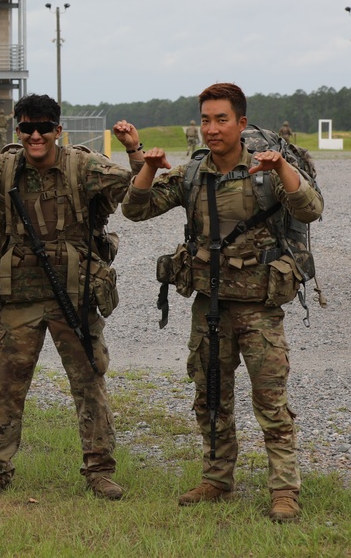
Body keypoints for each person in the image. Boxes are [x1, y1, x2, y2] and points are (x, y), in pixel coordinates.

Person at [121, 83, 323, 522]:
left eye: (222, 120)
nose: (212, 129)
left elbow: (310, 209)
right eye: (206, 120)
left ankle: (284, 490)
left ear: (241, 123)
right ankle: (217, 477)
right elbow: (134, 210)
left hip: (259, 308)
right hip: (210, 305)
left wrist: (284, 168)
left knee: (270, 401)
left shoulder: (269, 169)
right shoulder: (193, 173)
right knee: (210, 396)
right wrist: (147, 167)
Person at [0, 93, 144, 499]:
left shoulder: (83, 166)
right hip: (20, 295)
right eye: (27, 128)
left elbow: (138, 192)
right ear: (19, 130)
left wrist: (136, 152)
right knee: (6, 385)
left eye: (44, 128)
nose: (35, 135)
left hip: (74, 294)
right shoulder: (2, 169)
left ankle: (99, 470)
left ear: (57, 131)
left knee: (89, 384)